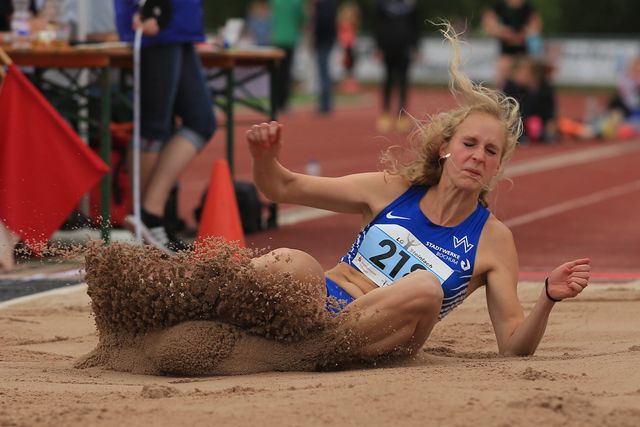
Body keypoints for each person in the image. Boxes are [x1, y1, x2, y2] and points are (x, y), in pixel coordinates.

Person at [239, 22, 591, 361]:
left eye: (490, 151)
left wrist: (547, 297)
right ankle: (211, 304)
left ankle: (311, 351)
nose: (477, 156)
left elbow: (512, 346)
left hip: (376, 337)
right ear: (445, 149)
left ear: (496, 167)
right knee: (293, 262)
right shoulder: (393, 189)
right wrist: (265, 158)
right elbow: (282, 186)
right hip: (322, 306)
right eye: (469, 143)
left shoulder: (493, 240)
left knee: (424, 286)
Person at [113, 0, 217, 254]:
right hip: (159, 23)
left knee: (201, 121)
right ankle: (146, 217)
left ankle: (149, 213)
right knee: (154, 124)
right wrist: (147, 7)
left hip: (178, 25)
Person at [373, 0, 420, 133]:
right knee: (388, 81)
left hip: (404, 49)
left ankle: (402, 115)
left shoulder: (410, 5)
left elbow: (415, 26)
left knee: (403, 82)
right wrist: (378, 46)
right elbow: (377, 25)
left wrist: (416, 47)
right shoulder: (382, 4)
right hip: (388, 48)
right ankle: (385, 113)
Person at [482, 0, 542, 89]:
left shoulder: (528, 8)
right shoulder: (500, 7)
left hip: (524, 52)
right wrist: (503, 32)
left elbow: (536, 25)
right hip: (506, 51)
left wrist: (523, 34)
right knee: (502, 79)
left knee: (526, 78)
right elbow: (489, 23)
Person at [502, 55, 556, 143]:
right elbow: (508, 113)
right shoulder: (510, 86)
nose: (519, 76)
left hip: (538, 123)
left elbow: (550, 114)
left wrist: (549, 132)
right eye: (518, 73)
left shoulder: (545, 88)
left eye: (524, 74)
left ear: (533, 75)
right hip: (518, 123)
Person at [269, 0, 305, 113]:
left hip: (277, 39)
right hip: (290, 39)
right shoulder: (297, 2)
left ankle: (275, 102)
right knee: (286, 72)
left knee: (276, 72)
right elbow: (302, 19)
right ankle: (284, 103)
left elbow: (271, 15)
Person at [311, 0, 338, 114]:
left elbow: (319, 24)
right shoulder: (332, 4)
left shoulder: (321, 6)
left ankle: (325, 104)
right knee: (325, 73)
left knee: (323, 73)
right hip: (328, 40)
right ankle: (326, 103)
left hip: (322, 41)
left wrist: (313, 37)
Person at [336, 1, 359, 94]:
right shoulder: (342, 21)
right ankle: (347, 82)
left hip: (350, 44)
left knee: (349, 64)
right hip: (344, 43)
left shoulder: (351, 21)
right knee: (345, 64)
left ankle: (350, 83)